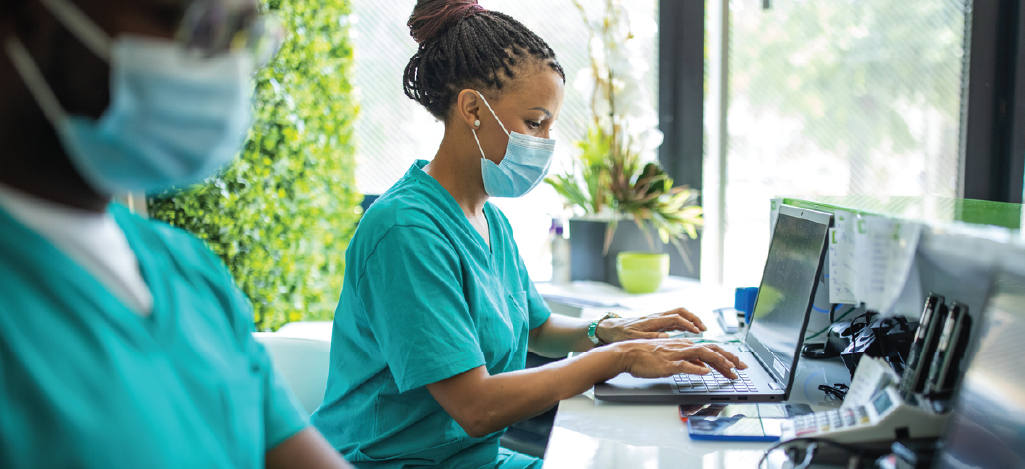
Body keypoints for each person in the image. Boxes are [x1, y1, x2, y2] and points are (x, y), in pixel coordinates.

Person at [310, 1, 748, 467]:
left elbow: (537, 327)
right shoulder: (405, 231)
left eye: (550, 126)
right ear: (473, 109)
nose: (543, 143)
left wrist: (605, 331)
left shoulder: (488, 219)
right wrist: (618, 357)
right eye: (534, 123)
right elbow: (476, 407)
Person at [0, 0, 352, 467]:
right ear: (30, 22)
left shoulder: (186, 269)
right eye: (199, 25)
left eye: (245, 35)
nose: (228, 69)